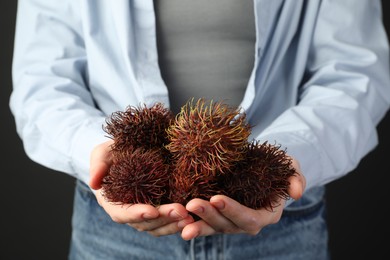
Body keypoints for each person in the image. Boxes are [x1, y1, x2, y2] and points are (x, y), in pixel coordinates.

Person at [9, 0, 390, 259]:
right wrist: (96, 147)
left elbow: (355, 73)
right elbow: (41, 78)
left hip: (283, 220)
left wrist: (292, 154)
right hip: (115, 227)